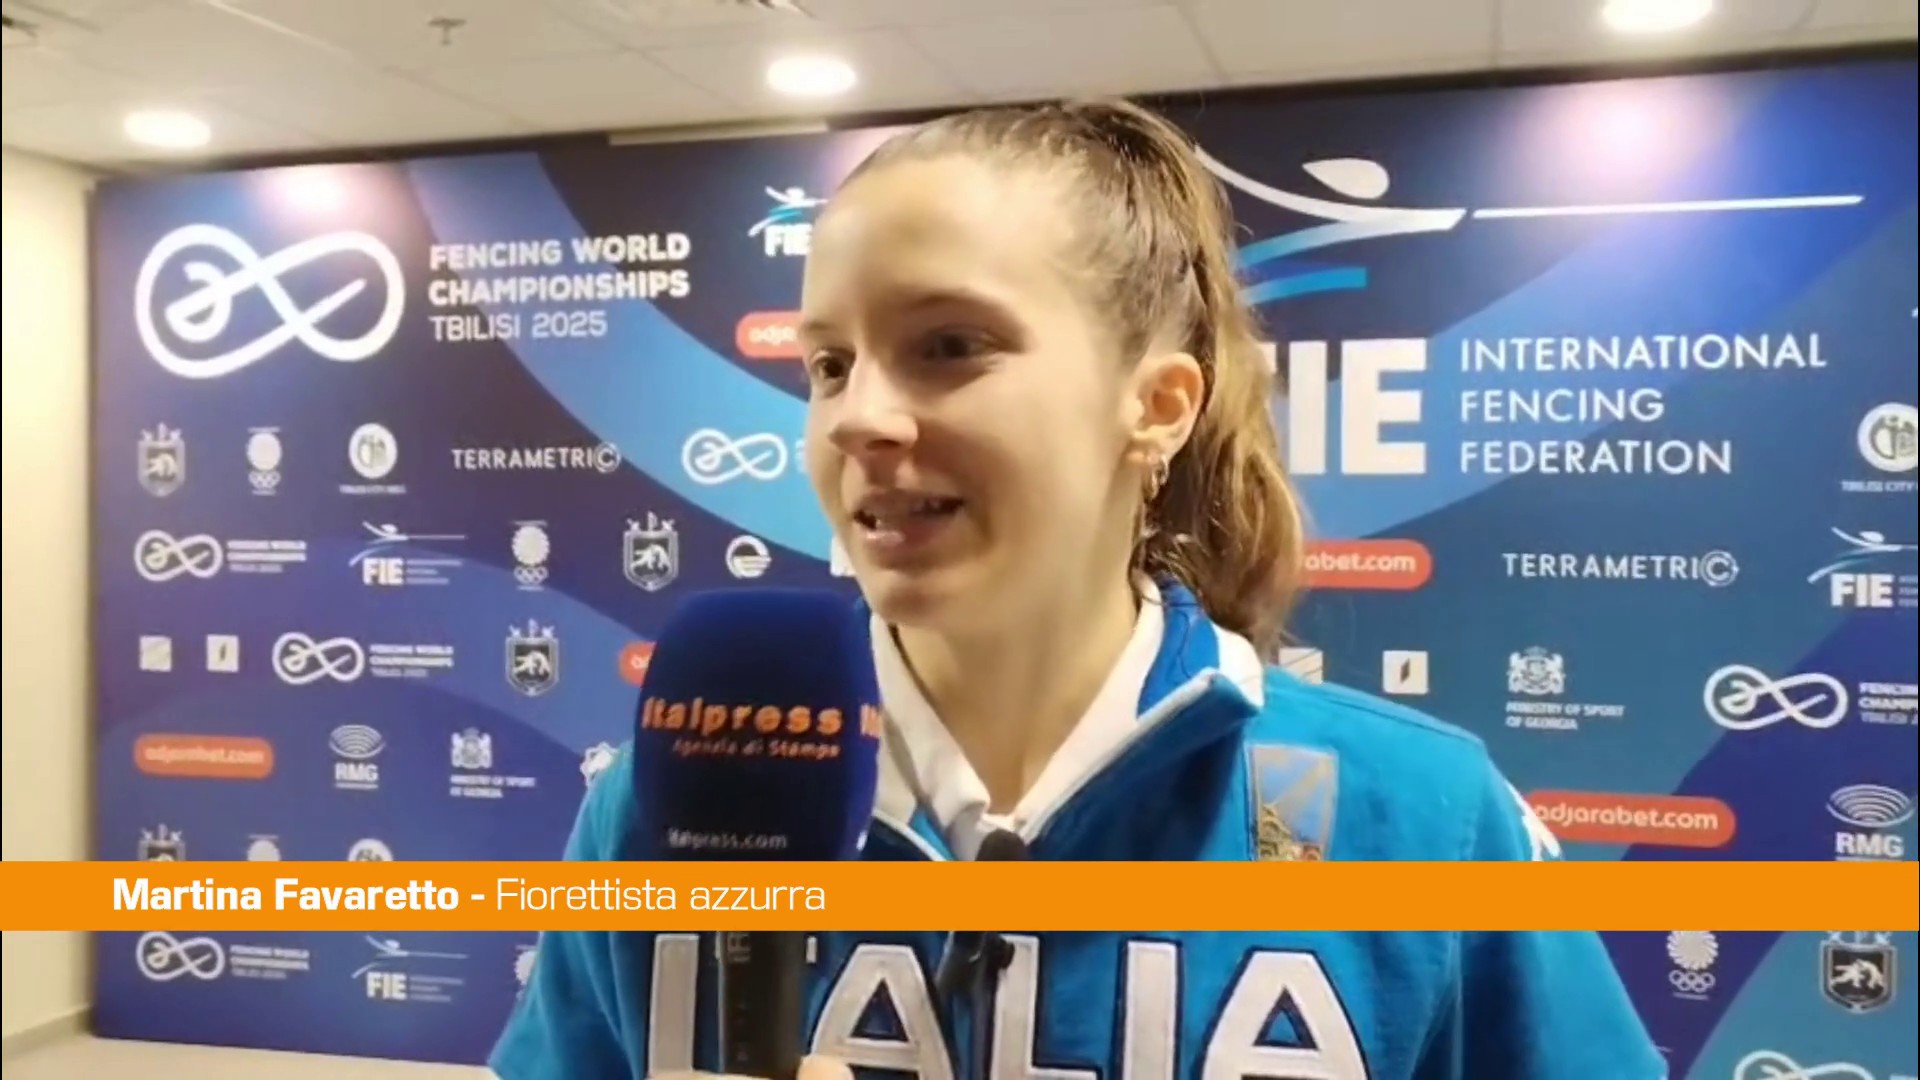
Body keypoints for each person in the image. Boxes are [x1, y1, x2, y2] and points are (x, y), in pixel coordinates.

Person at [489, 98, 1664, 1080]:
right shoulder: (659, 813)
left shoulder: (1422, 821)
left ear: (1156, 407)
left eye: (950, 346)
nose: (859, 417)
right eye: (829, 364)